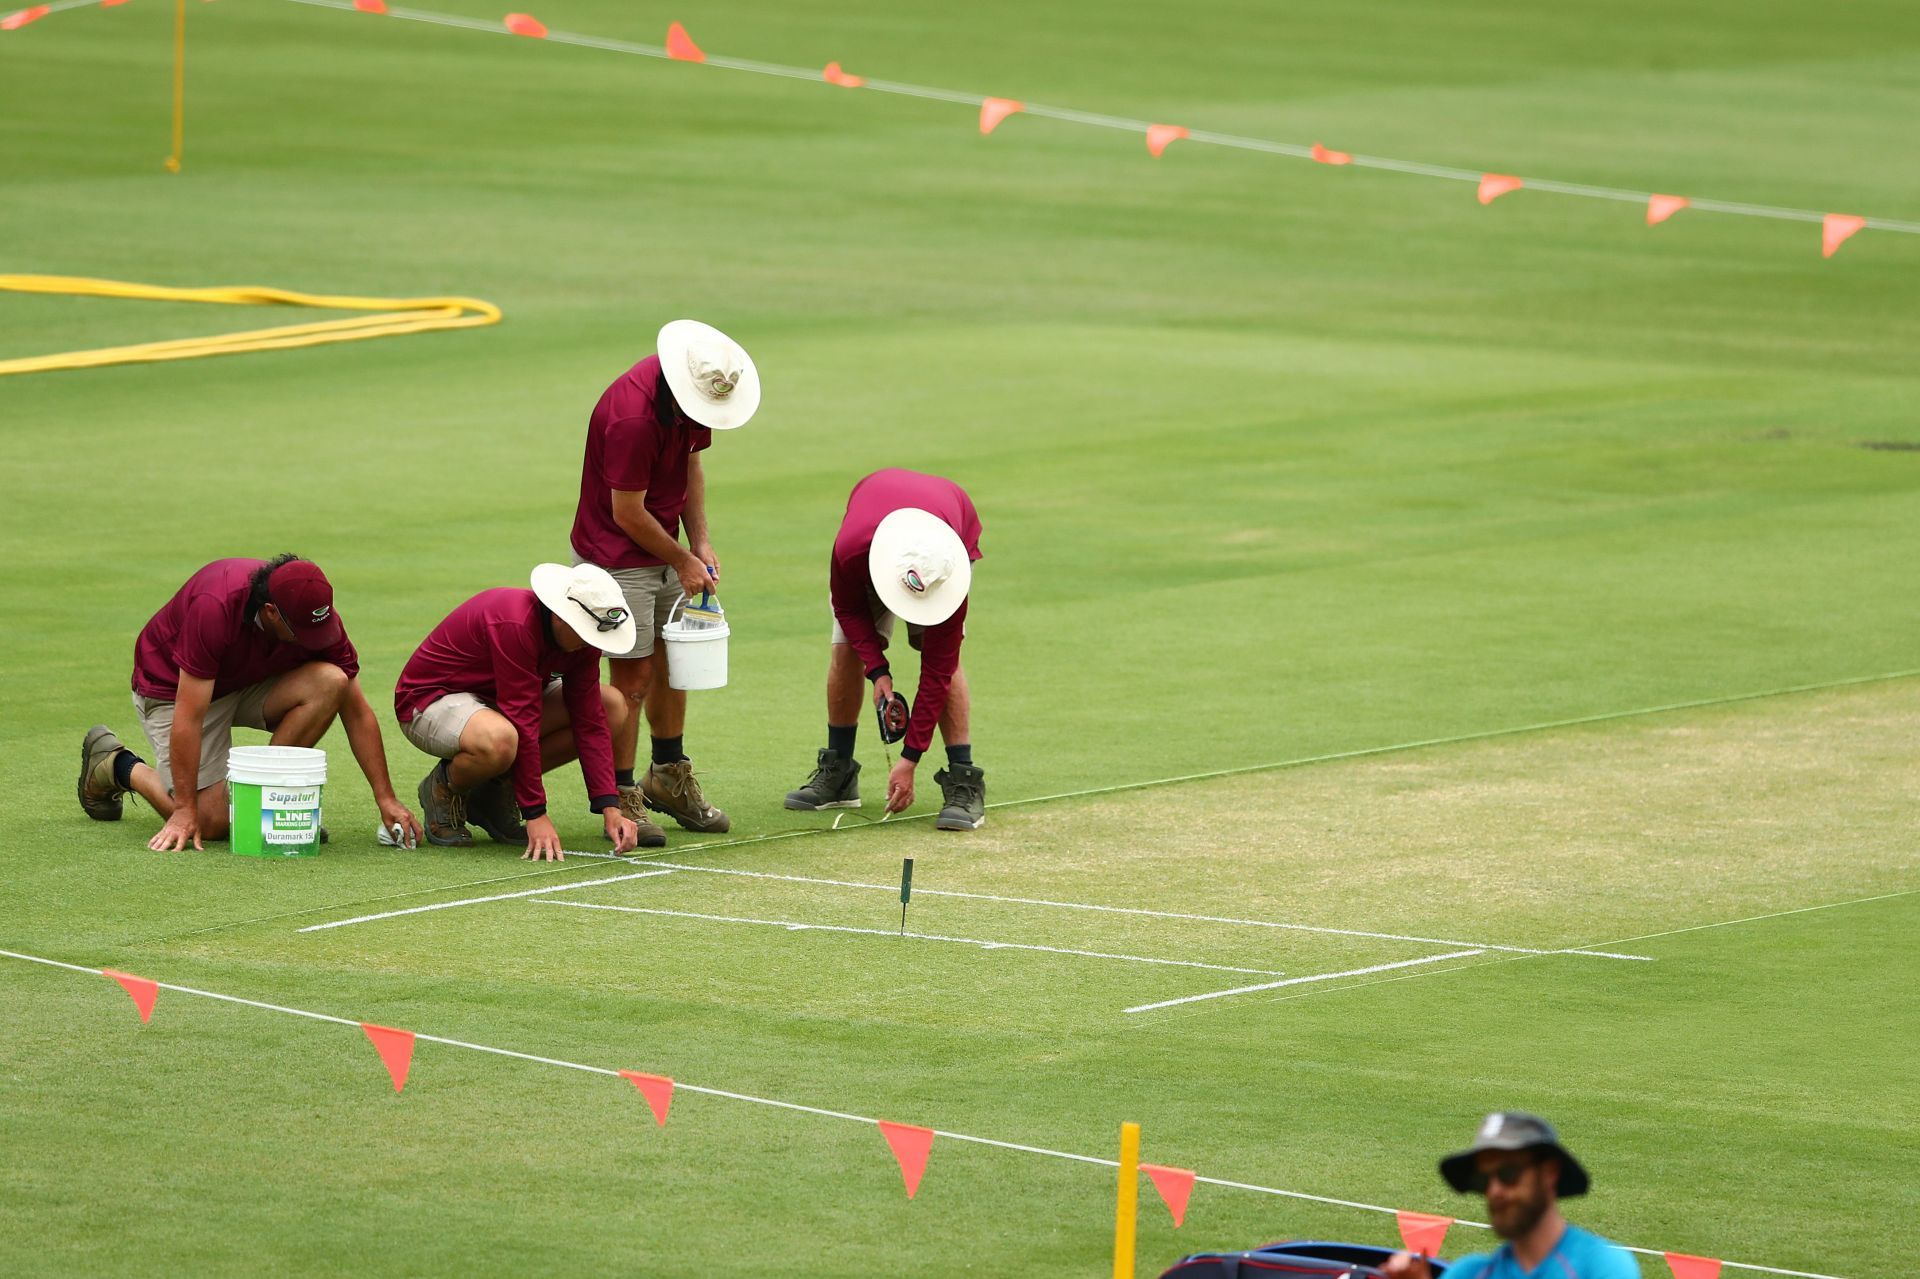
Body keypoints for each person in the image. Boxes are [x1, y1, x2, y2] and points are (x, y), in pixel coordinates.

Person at [76, 555, 421, 851]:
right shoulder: (216, 607)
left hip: (247, 679)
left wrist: (385, 798)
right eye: (303, 632)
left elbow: (358, 713)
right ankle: (117, 764)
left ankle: (263, 800)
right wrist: (183, 809)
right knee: (209, 824)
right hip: (172, 689)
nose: (316, 640)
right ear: (270, 612)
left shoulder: (314, 617)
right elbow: (189, 715)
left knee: (333, 681)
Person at [569, 319, 760, 843]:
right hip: (616, 557)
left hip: (666, 549)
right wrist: (681, 559)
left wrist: (699, 542)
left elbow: (692, 470)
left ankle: (668, 776)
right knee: (631, 681)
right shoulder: (633, 416)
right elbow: (627, 513)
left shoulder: (693, 396)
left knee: (673, 664)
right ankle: (624, 794)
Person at [393, 564, 642, 860]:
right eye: (586, 635)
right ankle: (443, 788)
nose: (592, 644)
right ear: (563, 617)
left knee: (611, 705)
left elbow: (589, 720)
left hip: (497, 702)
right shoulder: (515, 623)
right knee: (500, 740)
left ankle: (492, 794)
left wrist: (610, 808)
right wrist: (535, 813)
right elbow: (523, 719)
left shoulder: (584, 639)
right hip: (429, 701)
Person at [784, 468, 986, 830]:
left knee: (942, 654)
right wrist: (877, 670)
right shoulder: (852, 550)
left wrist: (909, 758)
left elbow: (937, 671)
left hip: (948, 530)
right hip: (876, 532)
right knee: (846, 649)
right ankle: (840, 771)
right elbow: (848, 609)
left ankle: (964, 778)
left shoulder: (950, 572)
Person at [1383, 1113, 1639, 1279]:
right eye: (1484, 1180)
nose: (1494, 1191)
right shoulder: (1467, 1272)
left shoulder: (1601, 1267)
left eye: (1508, 1174)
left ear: (1549, 1173)